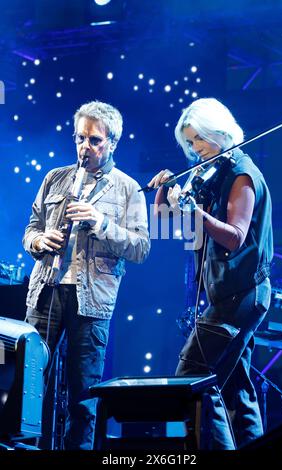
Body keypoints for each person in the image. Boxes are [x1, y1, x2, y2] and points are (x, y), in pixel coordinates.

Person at [23, 100, 150, 450]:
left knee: (83, 393)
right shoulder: (56, 177)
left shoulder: (128, 189)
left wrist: (101, 222)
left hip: (91, 300)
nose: (85, 147)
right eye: (80, 138)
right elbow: (31, 227)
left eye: (95, 141)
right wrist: (38, 240)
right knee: (30, 384)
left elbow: (141, 248)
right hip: (47, 289)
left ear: (112, 143)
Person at [148, 98, 273, 450]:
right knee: (235, 386)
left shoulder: (241, 173)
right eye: (189, 143)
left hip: (240, 293)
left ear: (218, 131)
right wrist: (164, 189)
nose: (194, 149)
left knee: (193, 379)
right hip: (230, 293)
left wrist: (196, 213)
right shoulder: (213, 176)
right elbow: (164, 221)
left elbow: (235, 237)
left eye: (198, 140)